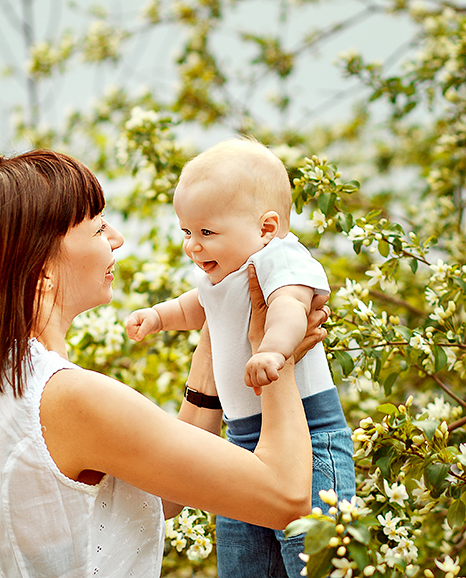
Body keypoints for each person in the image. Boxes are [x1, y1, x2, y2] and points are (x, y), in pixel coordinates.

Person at [0, 149, 330, 578]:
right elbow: (287, 498)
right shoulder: (71, 398)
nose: (116, 238)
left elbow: (166, 495)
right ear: (42, 271)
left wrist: (219, 331)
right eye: (98, 227)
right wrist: (277, 356)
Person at [125, 138, 356, 578]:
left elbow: (291, 307)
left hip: (309, 434)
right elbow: (195, 306)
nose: (193, 246)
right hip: (242, 439)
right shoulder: (222, 275)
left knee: (311, 558)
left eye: (206, 232)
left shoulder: (279, 259)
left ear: (266, 228)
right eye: (186, 232)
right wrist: (157, 317)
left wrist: (273, 349)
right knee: (242, 560)